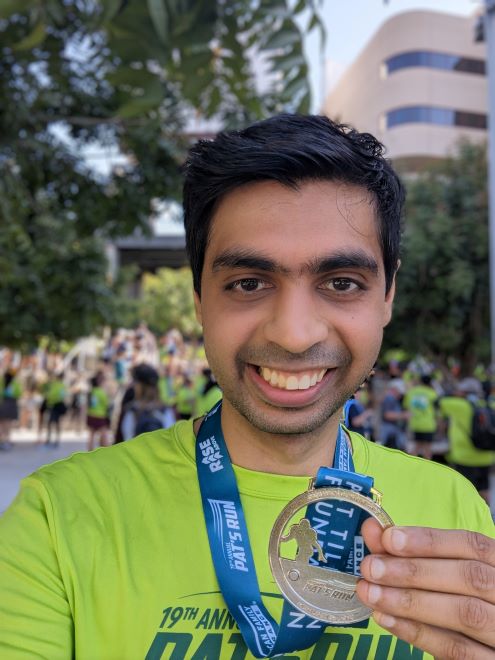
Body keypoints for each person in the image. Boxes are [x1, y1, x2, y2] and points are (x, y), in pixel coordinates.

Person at [0, 115, 493, 659]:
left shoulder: (454, 509)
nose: (294, 333)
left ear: (387, 296)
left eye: (341, 283)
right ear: (198, 299)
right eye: (249, 283)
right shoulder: (57, 518)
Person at [439, 377, 495, 504]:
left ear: (462, 392)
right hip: (487, 457)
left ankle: (467, 515)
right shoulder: (489, 405)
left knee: (464, 491)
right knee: (484, 489)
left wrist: (454, 393)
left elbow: (438, 401)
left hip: (464, 458)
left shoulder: (459, 405)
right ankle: (486, 514)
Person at [403, 374, 439, 460]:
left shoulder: (411, 392)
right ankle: (427, 467)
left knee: (417, 446)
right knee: (427, 449)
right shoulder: (432, 393)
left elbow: (406, 406)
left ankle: (410, 463)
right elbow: (437, 409)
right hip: (428, 424)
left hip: (415, 424)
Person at [378, 379, 410, 450]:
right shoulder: (389, 399)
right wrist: (403, 415)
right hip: (389, 432)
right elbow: (387, 415)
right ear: (394, 389)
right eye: (399, 392)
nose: (400, 395)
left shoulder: (393, 399)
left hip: (392, 432)